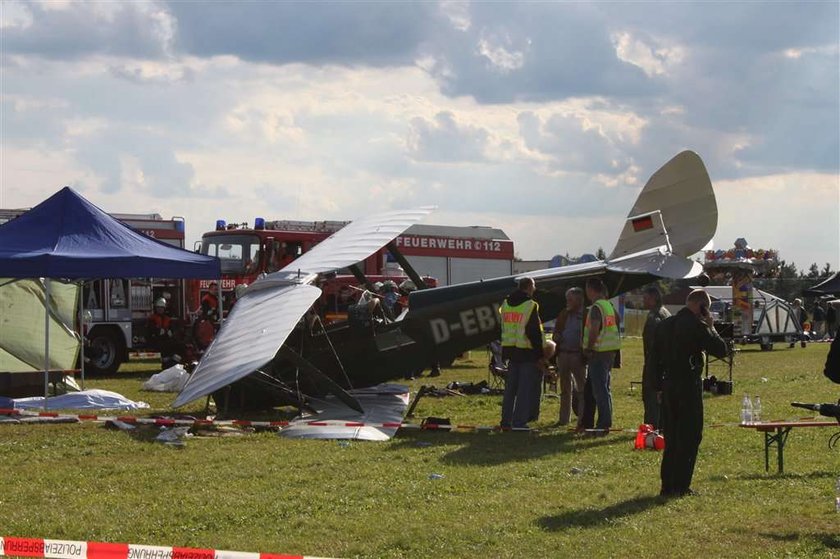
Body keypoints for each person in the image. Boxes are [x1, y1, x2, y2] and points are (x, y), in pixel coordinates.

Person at [654, 289, 729, 497]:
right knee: (690, 435)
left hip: (668, 384)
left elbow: (653, 359)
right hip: (687, 384)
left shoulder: (665, 325)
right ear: (701, 307)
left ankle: (667, 484)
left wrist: (658, 387)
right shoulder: (697, 325)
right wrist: (711, 327)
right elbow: (721, 350)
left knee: (671, 436)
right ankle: (681, 485)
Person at [499, 277, 544, 429]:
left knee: (510, 389)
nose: (535, 289)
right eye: (534, 286)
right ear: (529, 287)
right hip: (526, 352)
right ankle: (519, 422)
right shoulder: (530, 305)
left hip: (510, 351)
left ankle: (506, 421)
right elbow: (534, 333)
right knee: (524, 389)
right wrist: (540, 354)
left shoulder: (505, 304)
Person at [583, 277, 621, 432]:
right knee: (605, 387)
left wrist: (589, 348)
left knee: (599, 389)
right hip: (610, 351)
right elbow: (617, 322)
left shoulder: (596, 307)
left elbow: (594, 329)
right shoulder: (609, 305)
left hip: (598, 352)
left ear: (591, 290)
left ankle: (604, 422)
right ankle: (607, 419)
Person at [552, 287, 586, 426]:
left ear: (579, 300)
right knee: (565, 389)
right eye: (567, 300)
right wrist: (556, 337)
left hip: (578, 356)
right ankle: (563, 419)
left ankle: (582, 419)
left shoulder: (586, 314)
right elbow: (556, 331)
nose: (568, 302)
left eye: (570, 300)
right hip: (563, 354)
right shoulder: (563, 314)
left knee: (582, 389)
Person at [642, 286, 670, 429]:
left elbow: (652, 345)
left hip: (654, 363)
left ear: (654, 299)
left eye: (646, 298)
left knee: (651, 397)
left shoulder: (654, 317)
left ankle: (651, 428)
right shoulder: (665, 313)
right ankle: (661, 425)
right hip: (665, 363)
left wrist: (651, 365)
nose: (643, 301)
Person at [147, 297, 178, 368]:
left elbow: (171, 329)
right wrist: (159, 331)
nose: (160, 309)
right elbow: (151, 330)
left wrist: (170, 332)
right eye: (158, 307)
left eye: (161, 307)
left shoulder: (167, 319)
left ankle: (172, 363)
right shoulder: (152, 319)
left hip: (166, 339)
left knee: (175, 344)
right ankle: (166, 364)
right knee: (165, 346)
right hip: (155, 340)